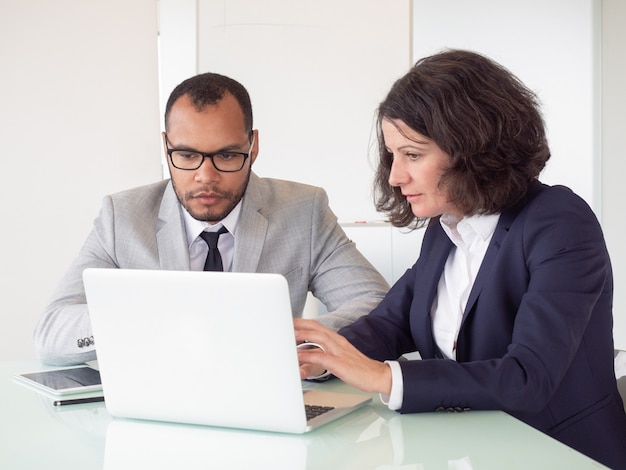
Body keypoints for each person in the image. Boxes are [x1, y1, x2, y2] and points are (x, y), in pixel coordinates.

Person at [295, 49, 626, 468]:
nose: (396, 177)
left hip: (557, 453)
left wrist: (383, 377)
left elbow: (528, 377)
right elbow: (391, 323)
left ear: (473, 148)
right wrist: (313, 355)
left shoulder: (559, 223)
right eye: (393, 155)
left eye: (413, 155)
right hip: (469, 448)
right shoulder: (446, 225)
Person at [34, 72, 389, 366]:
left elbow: (376, 305)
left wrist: (282, 336)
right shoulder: (122, 217)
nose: (206, 176)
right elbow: (52, 333)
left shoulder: (304, 210)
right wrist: (149, 316)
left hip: (262, 402)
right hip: (159, 409)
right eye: (186, 155)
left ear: (253, 147)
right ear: (166, 146)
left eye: (227, 155)